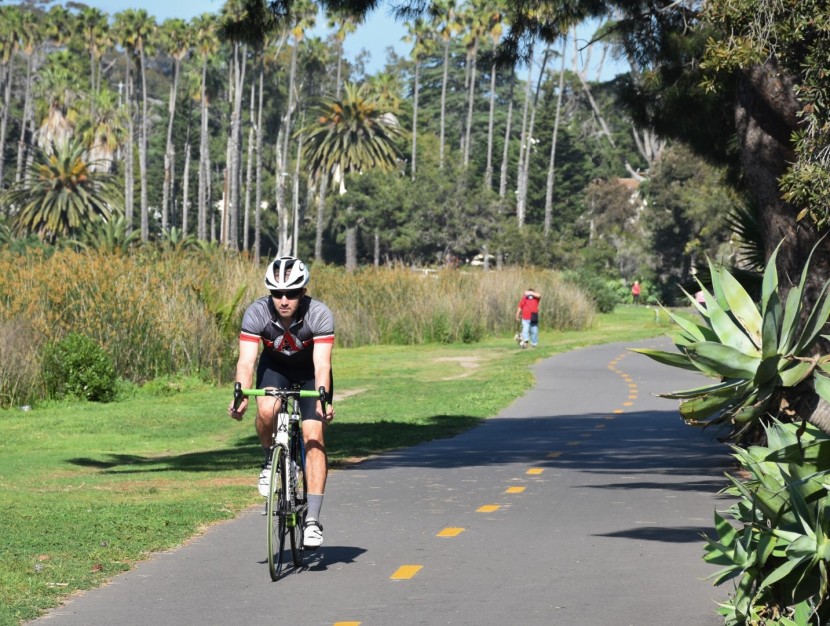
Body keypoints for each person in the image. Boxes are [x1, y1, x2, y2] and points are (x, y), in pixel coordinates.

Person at [227, 256, 335, 548]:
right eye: (276, 293)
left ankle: (312, 519)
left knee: (314, 436)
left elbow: (322, 364)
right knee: (266, 408)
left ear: (303, 292)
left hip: (311, 374)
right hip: (275, 369)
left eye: (291, 293)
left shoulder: (319, 314)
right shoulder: (257, 313)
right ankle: (267, 462)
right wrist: (241, 393)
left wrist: (323, 398)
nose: (284, 300)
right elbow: (247, 361)